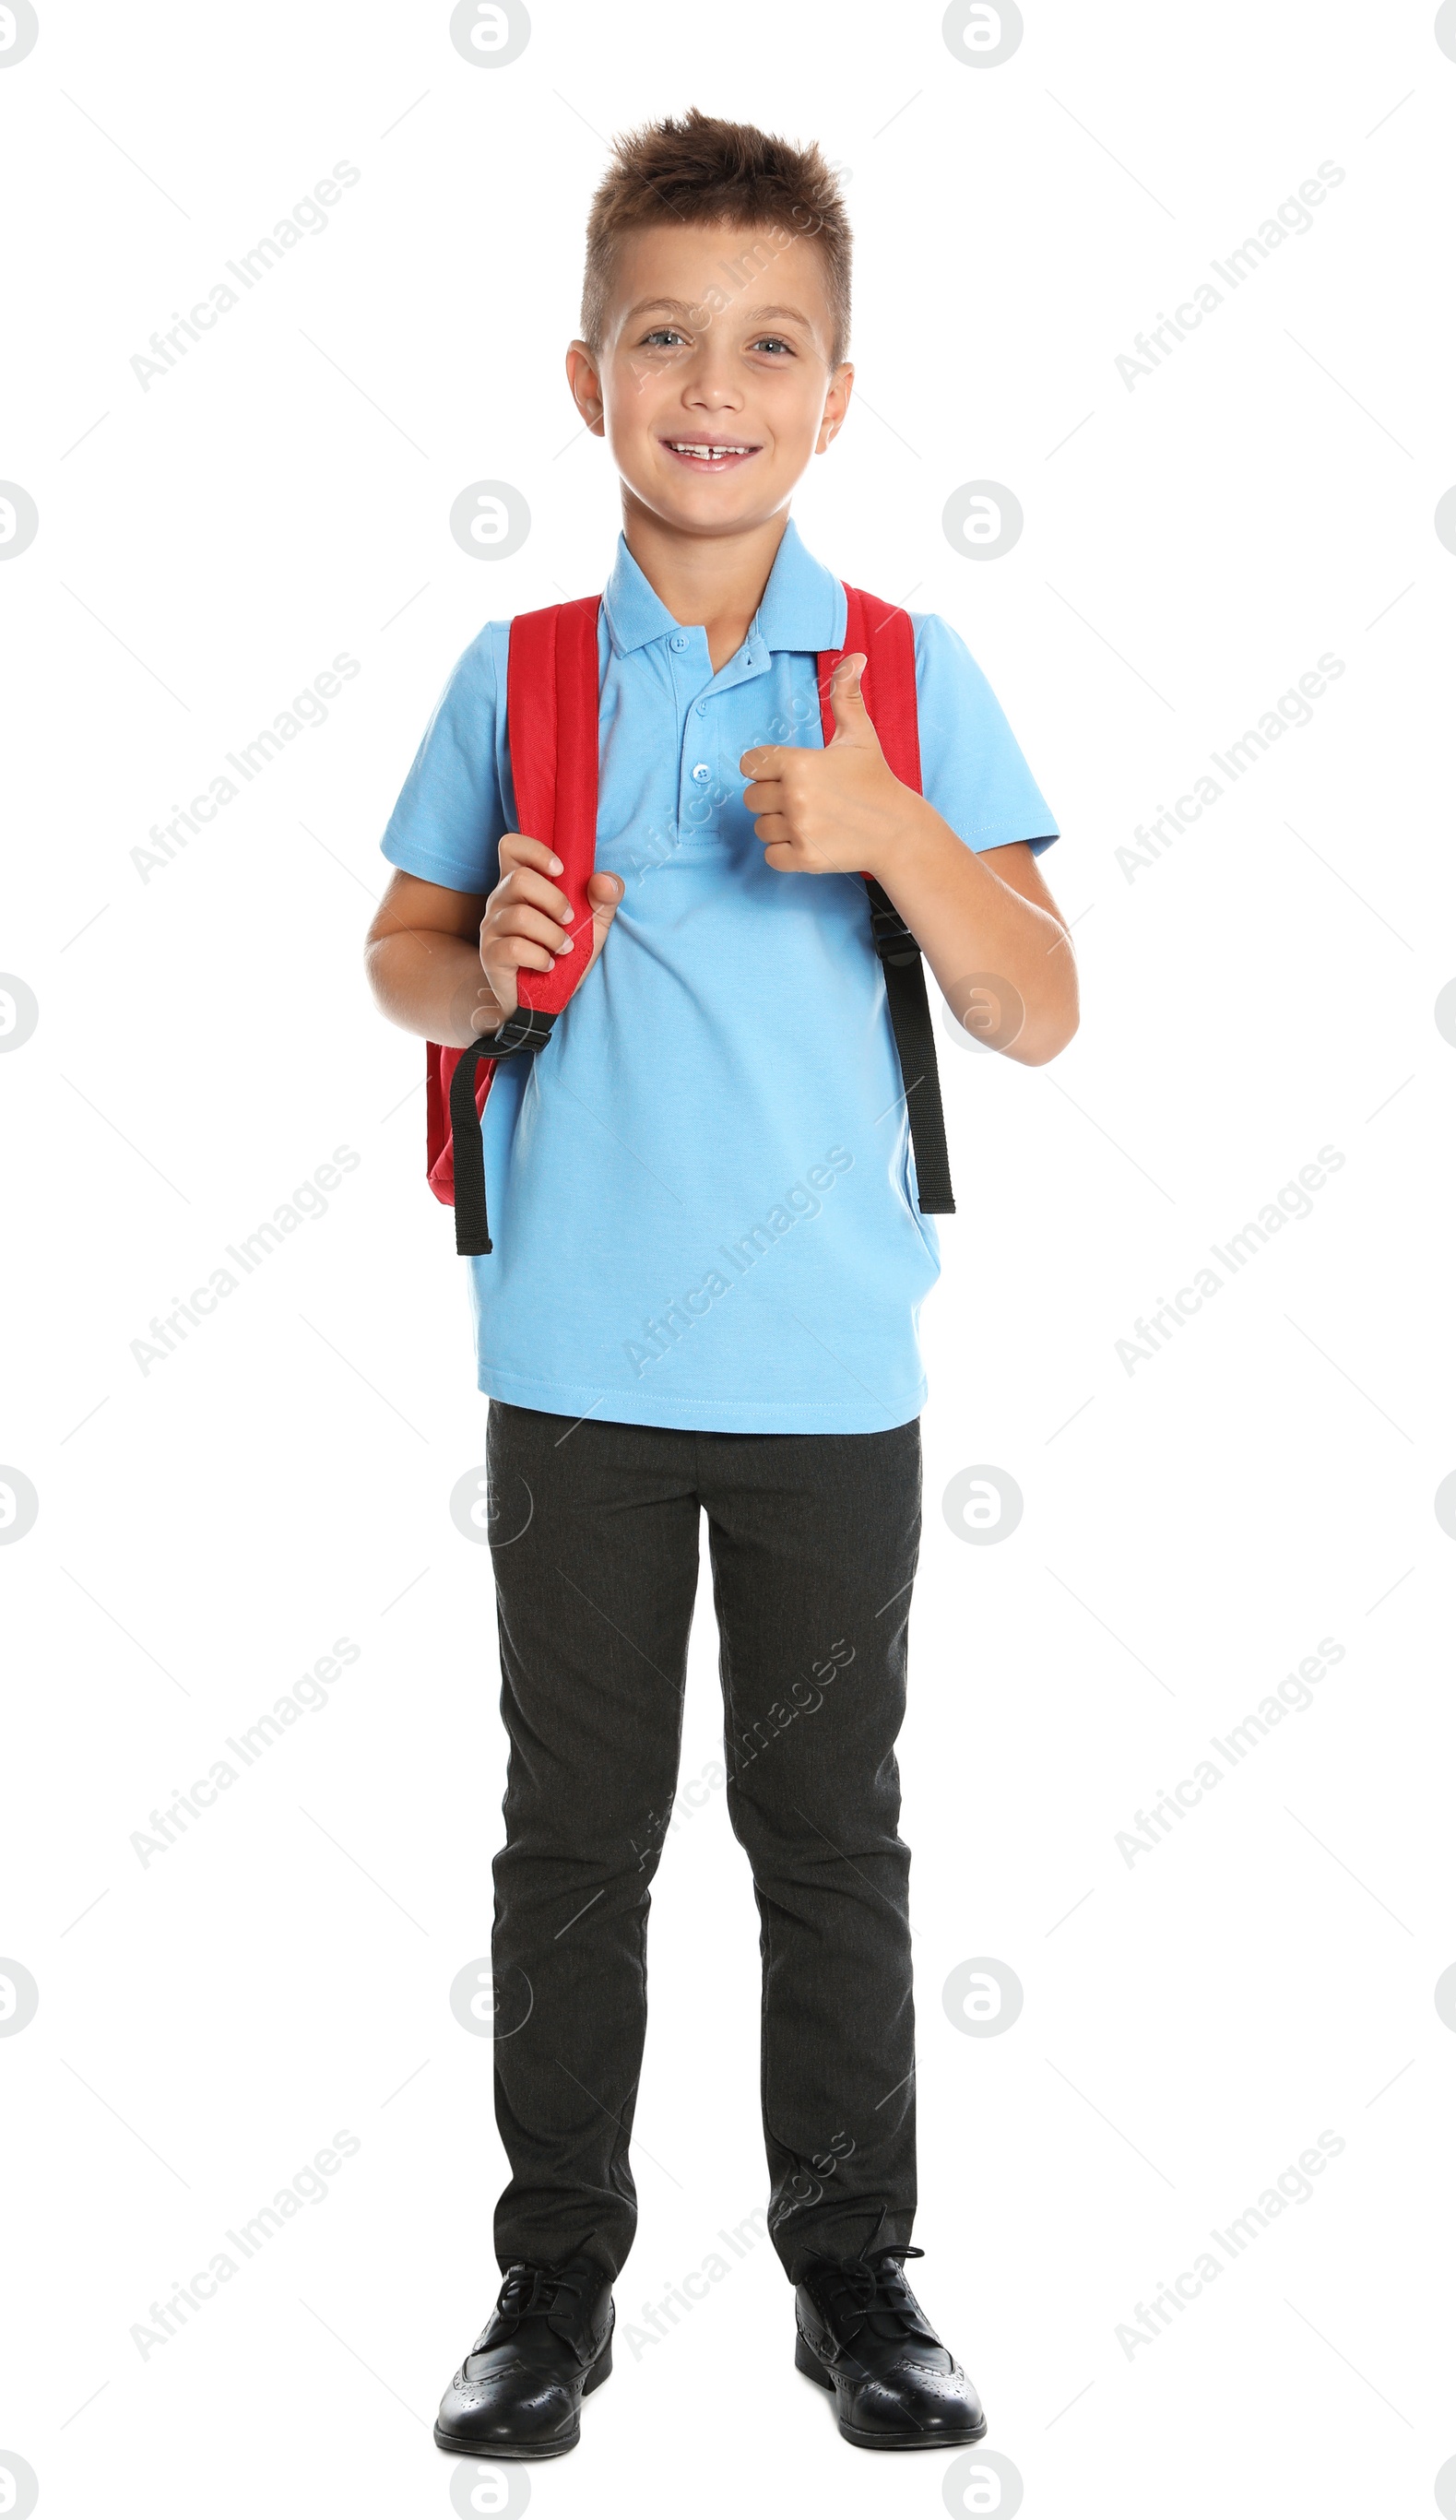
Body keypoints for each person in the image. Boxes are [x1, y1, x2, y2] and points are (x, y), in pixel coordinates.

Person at [365, 106, 1078, 2462]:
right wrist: (481, 954)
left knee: (828, 1835)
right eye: (661, 335)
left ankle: (851, 2272)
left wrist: (888, 831)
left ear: (834, 397)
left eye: (768, 344)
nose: (712, 381)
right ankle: (546, 2280)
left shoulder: (898, 667)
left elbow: (1036, 997)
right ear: (585, 379)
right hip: (568, 1354)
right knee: (571, 1829)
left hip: (820, 1377)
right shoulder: (522, 667)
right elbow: (397, 955)